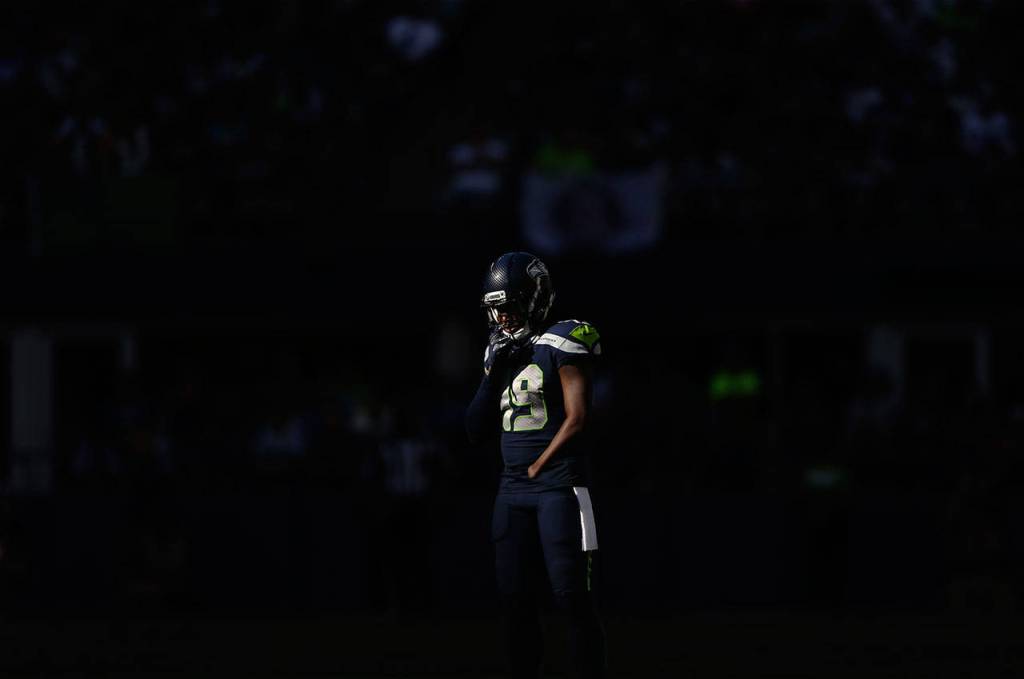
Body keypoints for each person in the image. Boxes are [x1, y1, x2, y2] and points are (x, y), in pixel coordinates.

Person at [465, 252, 606, 678]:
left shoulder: (565, 338)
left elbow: (578, 418)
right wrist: (494, 375)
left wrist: (542, 464)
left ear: (534, 298)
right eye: (495, 309)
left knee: (570, 597)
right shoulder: (499, 350)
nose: (501, 318)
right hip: (512, 491)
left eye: (507, 307)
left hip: (559, 486)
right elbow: (473, 429)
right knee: (514, 602)